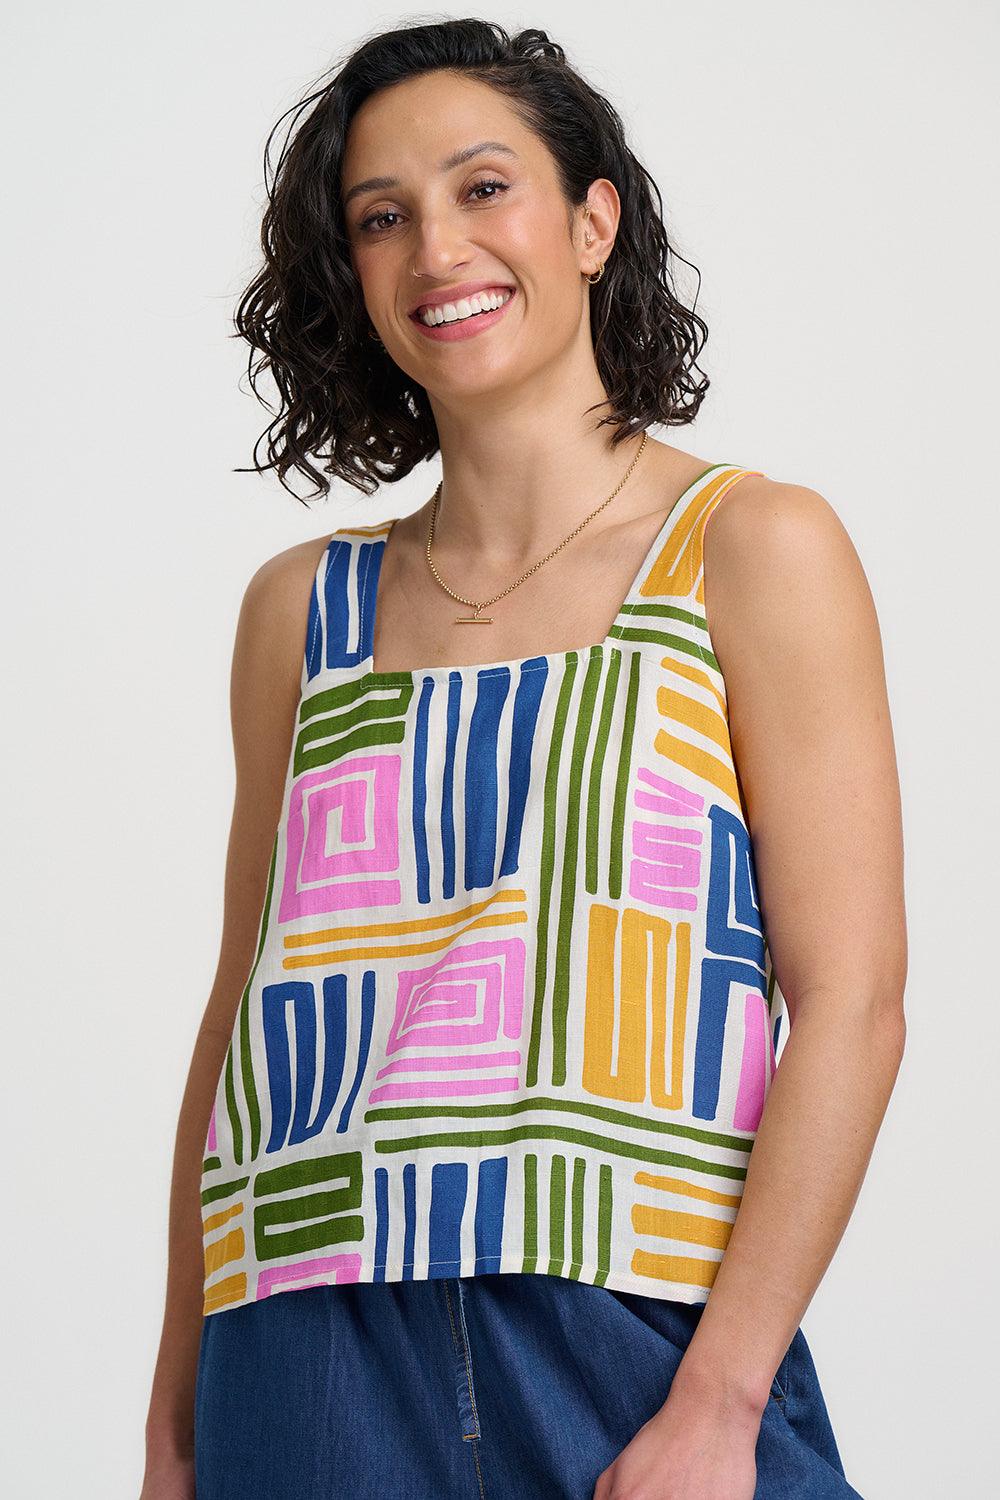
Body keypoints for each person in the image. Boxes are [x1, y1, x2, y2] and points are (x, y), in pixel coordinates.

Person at [139, 19, 906, 1500]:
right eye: (383, 217)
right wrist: (178, 1420)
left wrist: (722, 1399)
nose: (438, 247)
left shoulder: (750, 549)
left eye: (484, 188)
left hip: (626, 1326)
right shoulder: (304, 608)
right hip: (305, 1344)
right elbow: (244, 1006)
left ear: (590, 219)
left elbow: (856, 1001)